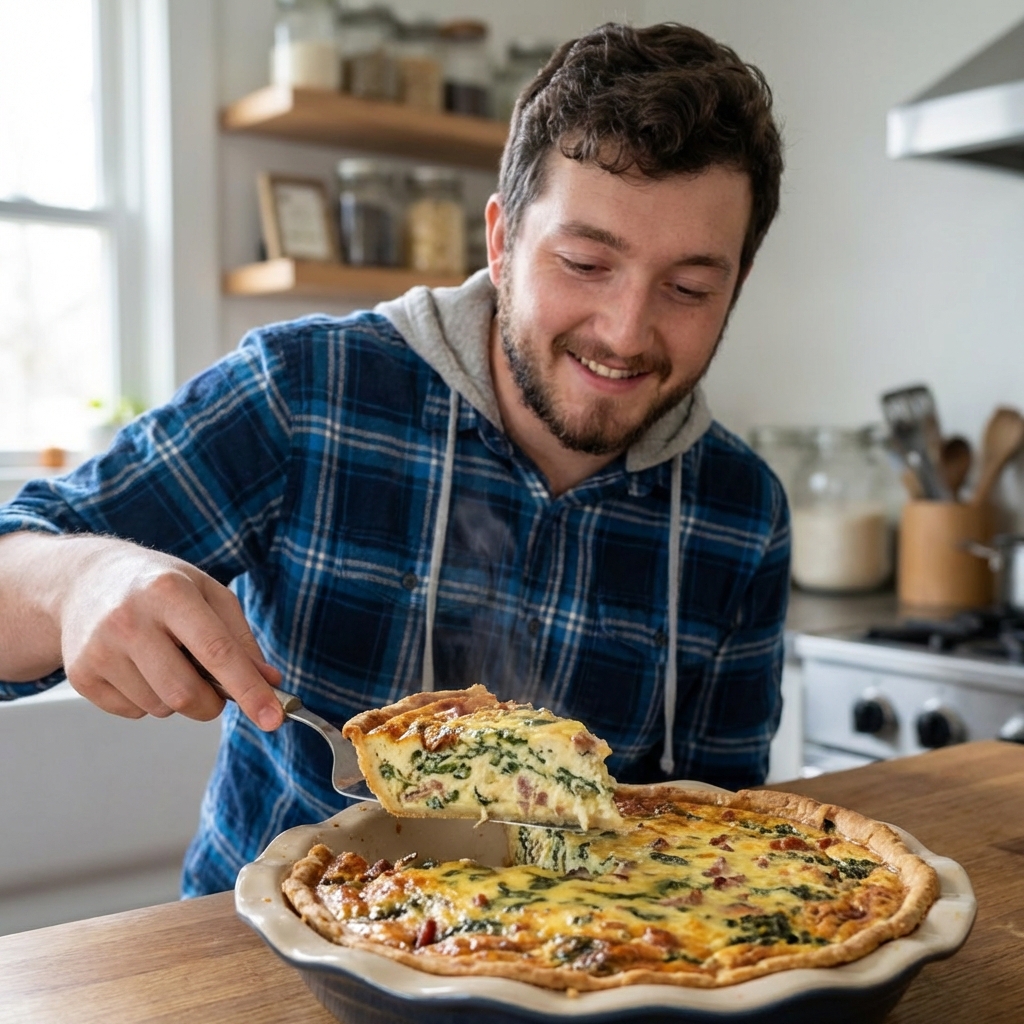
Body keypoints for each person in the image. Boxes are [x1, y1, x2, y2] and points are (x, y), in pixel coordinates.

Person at [0, 22, 788, 897]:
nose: (625, 331)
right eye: (585, 262)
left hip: (582, 966)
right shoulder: (306, 391)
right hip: (267, 961)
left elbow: (724, 832)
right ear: (500, 243)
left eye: (688, 289)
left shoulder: (743, 512)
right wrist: (76, 584)